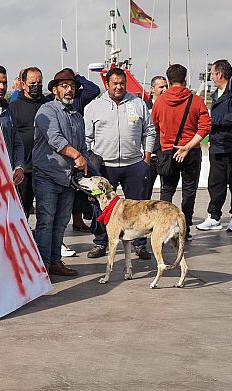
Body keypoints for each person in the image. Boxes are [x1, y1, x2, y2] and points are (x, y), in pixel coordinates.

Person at [84, 67, 156, 260]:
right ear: (107, 84)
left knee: (140, 207)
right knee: (101, 207)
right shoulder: (94, 106)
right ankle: (100, 243)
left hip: (134, 164)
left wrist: (146, 158)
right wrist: (91, 161)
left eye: (122, 83)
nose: (119, 87)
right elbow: (86, 137)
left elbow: (149, 131)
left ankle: (140, 245)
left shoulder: (138, 104)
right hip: (105, 166)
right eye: (114, 83)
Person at [33, 68, 89, 276]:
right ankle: (41, 266)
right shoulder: (47, 110)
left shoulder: (76, 116)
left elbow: (83, 145)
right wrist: (77, 156)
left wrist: (83, 161)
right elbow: (55, 138)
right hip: (47, 175)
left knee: (61, 222)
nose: (69, 90)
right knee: (46, 222)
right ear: (55, 89)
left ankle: (55, 261)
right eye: (64, 86)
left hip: (68, 179)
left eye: (72, 87)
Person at [152, 64, 211, 240]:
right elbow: (205, 127)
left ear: (168, 81)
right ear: (185, 80)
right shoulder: (196, 100)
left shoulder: (160, 102)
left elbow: (156, 126)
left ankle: (164, 227)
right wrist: (187, 146)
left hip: (168, 153)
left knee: (167, 190)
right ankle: (185, 229)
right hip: (190, 152)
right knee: (189, 190)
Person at [196, 59, 232, 232]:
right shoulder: (217, 93)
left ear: (220, 74)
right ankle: (214, 216)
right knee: (215, 182)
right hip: (218, 146)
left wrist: (215, 121)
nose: (211, 76)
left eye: (212, 73)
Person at [9, 67, 48, 218]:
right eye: (32, 83)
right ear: (23, 84)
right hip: (24, 170)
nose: (36, 86)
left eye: (39, 83)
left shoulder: (48, 104)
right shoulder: (14, 106)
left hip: (45, 169)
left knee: (47, 212)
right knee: (22, 210)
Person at [0, 65, 25, 183]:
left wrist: (19, 166)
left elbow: (17, 143)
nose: (2, 87)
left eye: (4, 83)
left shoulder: (9, 111)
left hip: (7, 178)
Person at [145, 75, 168, 199]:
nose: (165, 89)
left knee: (166, 191)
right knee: (145, 191)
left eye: (166, 86)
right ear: (153, 89)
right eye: (161, 87)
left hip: (165, 155)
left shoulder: (170, 106)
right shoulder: (143, 107)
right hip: (149, 156)